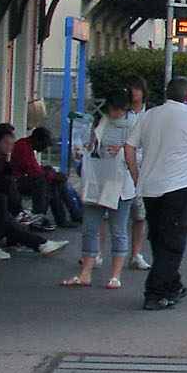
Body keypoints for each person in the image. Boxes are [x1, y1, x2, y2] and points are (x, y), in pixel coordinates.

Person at [126, 76, 187, 310]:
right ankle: (155, 292)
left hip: (149, 187)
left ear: (166, 94)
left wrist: (135, 173)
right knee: (173, 241)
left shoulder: (149, 116)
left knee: (158, 237)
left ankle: (173, 284)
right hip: (176, 188)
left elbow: (129, 146)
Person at [64, 89, 136, 289]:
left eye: (116, 110)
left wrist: (124, 152)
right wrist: (88, 148)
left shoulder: (134, 125)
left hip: (121, 185)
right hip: (99, 180)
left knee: (118, 229)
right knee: (89, 227)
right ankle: (85, 272)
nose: (112, 113)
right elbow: (92, 144)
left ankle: (115, 275)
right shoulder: (101, 123)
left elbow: (140, 153)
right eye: (110, 109)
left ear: (125, 108)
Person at [0, 124, 68, 259]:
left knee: (5, 211)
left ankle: (37, 241)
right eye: (6, 143)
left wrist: (7, 160)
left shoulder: (4, 156)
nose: (9, 147)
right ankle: (37, 239)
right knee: (4, 202)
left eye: (11, 144)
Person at [9, 126, 72, 227]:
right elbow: (33, 172)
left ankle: (60, 218)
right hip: (17, 180)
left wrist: (52, 175)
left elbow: (36, 168)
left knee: (51, 179)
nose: (44, 148)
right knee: (42, 182)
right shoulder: (23, 146)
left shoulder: (27, 145)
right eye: (44, 144)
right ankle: (38, 216)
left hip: (24, 177)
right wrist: (53, 176)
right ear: (36, 140)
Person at [121, 77, 152, 270]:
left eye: (137, 89)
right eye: (130, 89)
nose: (134, 92)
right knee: (109, 213)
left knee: (139, 214)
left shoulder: (150, 114)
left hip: (143, 167)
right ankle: (96, 253)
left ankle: (136, 253)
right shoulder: (120, 112)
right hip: (119, 166)